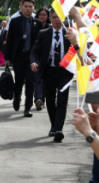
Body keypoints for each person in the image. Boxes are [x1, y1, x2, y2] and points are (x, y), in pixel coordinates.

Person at [30, 9, 77, 142]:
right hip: (49, 71)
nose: (57, 20)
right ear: (50, 18)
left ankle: (58, 129)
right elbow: (35, 51)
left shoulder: (69, 34)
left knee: (62, 99)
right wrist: (33, 62)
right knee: (50, 100)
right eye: (54, 17)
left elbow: (78, 49)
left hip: (64, 72)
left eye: (59, 17)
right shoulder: (43, 33)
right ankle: (53, 125)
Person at [4, 0, 42, 117]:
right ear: (21, 7)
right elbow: (9, 41)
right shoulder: (15, 21)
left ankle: (27, 107)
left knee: (30, 82)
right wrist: (7, 58)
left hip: (32, 57)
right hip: (19, 56)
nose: (28, 9)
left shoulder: (38, 23)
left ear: (33, 8)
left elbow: (40, 42)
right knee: (19, 81)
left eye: (30, 7)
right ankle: (17, 98)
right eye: (26, 6)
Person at [34, 7, 51, 111]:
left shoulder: (50, 27)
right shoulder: (34, 26)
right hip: (36, 56)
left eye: (44, 14)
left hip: (48, 56)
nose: (42, 16)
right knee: (37, 78)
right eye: (40, 14)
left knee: (45, 79)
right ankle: (38, 99)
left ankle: (43, 99)